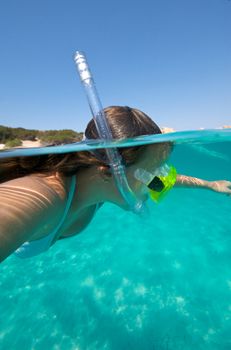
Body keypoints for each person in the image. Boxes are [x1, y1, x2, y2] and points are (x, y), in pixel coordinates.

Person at [0, 106, 230, 262]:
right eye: (151, 171)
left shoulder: (98, 187)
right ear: (109, 171)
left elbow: (168, 181)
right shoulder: (43, 195)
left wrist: (210, 185)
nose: (156, 180)